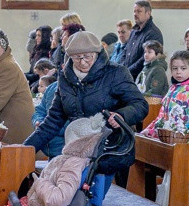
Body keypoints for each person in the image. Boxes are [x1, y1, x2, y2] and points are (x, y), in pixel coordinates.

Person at [25, 31, 148, 188]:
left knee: (90, 201)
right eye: (77, 58)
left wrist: (122, 115)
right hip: (79, 150)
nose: (83, 62)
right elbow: (53, 120)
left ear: (97, 54)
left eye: (87, 57)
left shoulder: (116, 73)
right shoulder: (65, 79)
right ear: (70, 57)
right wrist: (25, 150)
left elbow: (140, 105)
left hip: (109, 150)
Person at [141, 50, 189, 206]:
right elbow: (163, 116)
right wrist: (149, 131)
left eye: (183, 68)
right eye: (175, 68)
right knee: (177, 179)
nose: (178, 72)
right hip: (172, 141)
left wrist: (179, 132)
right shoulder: (173, 88)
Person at [121, 0, 164, 79]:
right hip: (128, 77)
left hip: (142, 78)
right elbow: (125, 52)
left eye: (139, 11)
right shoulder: (133, 31)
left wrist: (127, 72)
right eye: (134, 11)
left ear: (148, 13)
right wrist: (122, 69)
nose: (135, 14)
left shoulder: (153, 33)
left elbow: (145, 58)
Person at [32, 74, 64, 158]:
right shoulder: (52, 88)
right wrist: (37, 121)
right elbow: (39, 110)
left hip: (65, 149)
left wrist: (47, 126)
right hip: (48, 147)